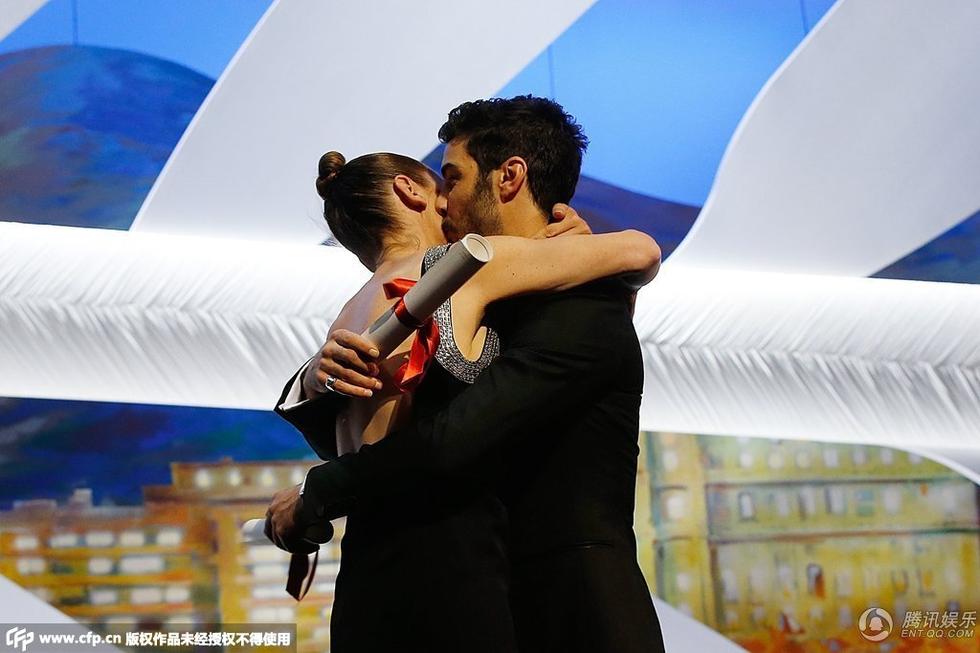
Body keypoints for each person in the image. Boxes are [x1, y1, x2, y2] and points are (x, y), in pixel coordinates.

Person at [269, 137, 660, 652]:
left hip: (366, 564)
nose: (452, 204)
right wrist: (572, 242)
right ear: (410, 191)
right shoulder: (461, 265)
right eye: (445, 184)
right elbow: (640, 250)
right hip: (450, 556)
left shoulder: (346, 317)